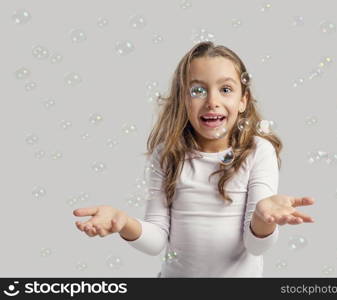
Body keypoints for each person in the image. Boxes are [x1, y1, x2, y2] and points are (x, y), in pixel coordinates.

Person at [73, 41, 315, 277]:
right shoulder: (168, 155)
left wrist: (263, 217)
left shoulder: (257, 151)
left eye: (226, 89)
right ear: (183, 100)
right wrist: (124, 222)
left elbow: (257, 246)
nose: (212, 101)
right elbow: (156, 241)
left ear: (243, 100)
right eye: (197, 90)